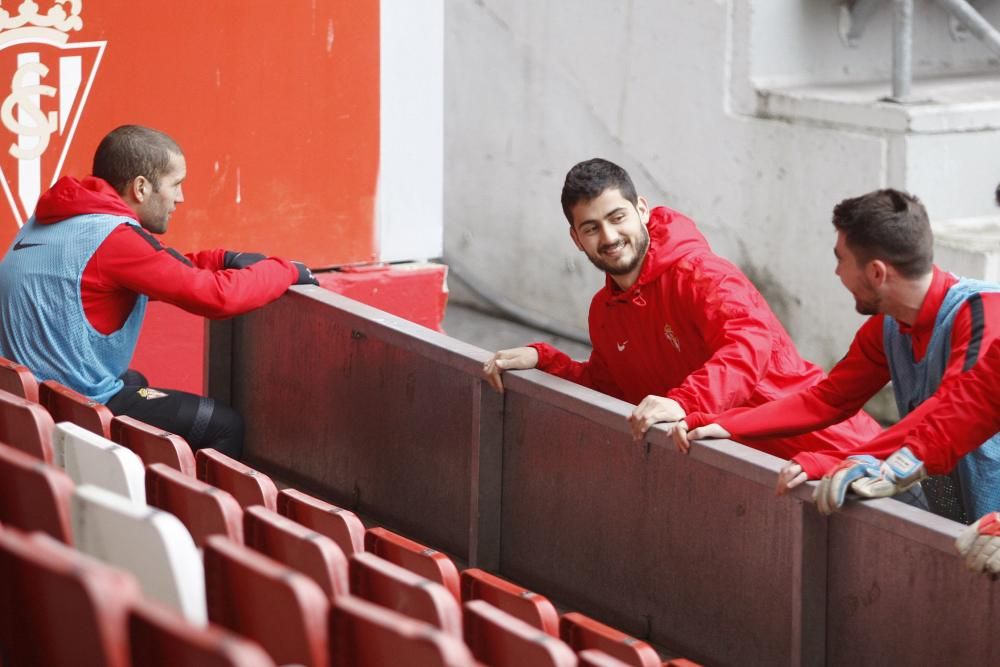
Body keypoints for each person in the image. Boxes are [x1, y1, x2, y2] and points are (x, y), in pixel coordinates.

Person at [482, 158, 881, 459]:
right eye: (591, 227)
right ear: (576, 238)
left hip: (843, 455)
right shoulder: (605, 313)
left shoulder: (702, 274)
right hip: (757, 473)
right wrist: (543, 362)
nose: (609, 236)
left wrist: (683, 402)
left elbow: (749, 344)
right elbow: (612, 390)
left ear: (641, 209)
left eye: (617, 217)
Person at [677, 189, 1000, 523]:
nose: (836, 273)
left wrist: (843, 460)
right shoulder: (890, 326)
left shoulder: (985, 312)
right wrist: (725, 423)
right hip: (970, 530)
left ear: (877, 272)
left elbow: (951, 412)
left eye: (840, 259)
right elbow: (829, 400)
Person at [0, 125, 317, 459]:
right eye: (175, 184)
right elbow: (216, 297)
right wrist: (286, 270)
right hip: (74, 408)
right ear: (140, 187)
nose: (180, 198)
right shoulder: (114, 240)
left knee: (136, 382)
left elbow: (156, 269)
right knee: (222, 423)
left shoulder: (59, 218)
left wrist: (223, 259)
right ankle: (194, 511)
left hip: (27, 402)